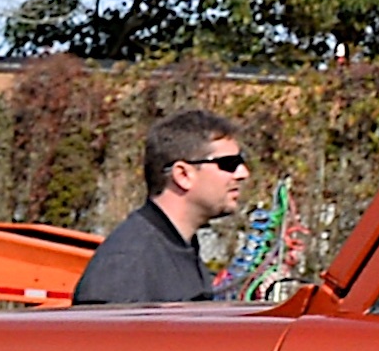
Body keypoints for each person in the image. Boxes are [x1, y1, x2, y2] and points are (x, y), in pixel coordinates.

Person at [76, 109, 250, 306]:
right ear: (183, 175)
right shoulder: (128, 265)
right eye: (228, 164)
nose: (242, 173)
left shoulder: (179, 248)